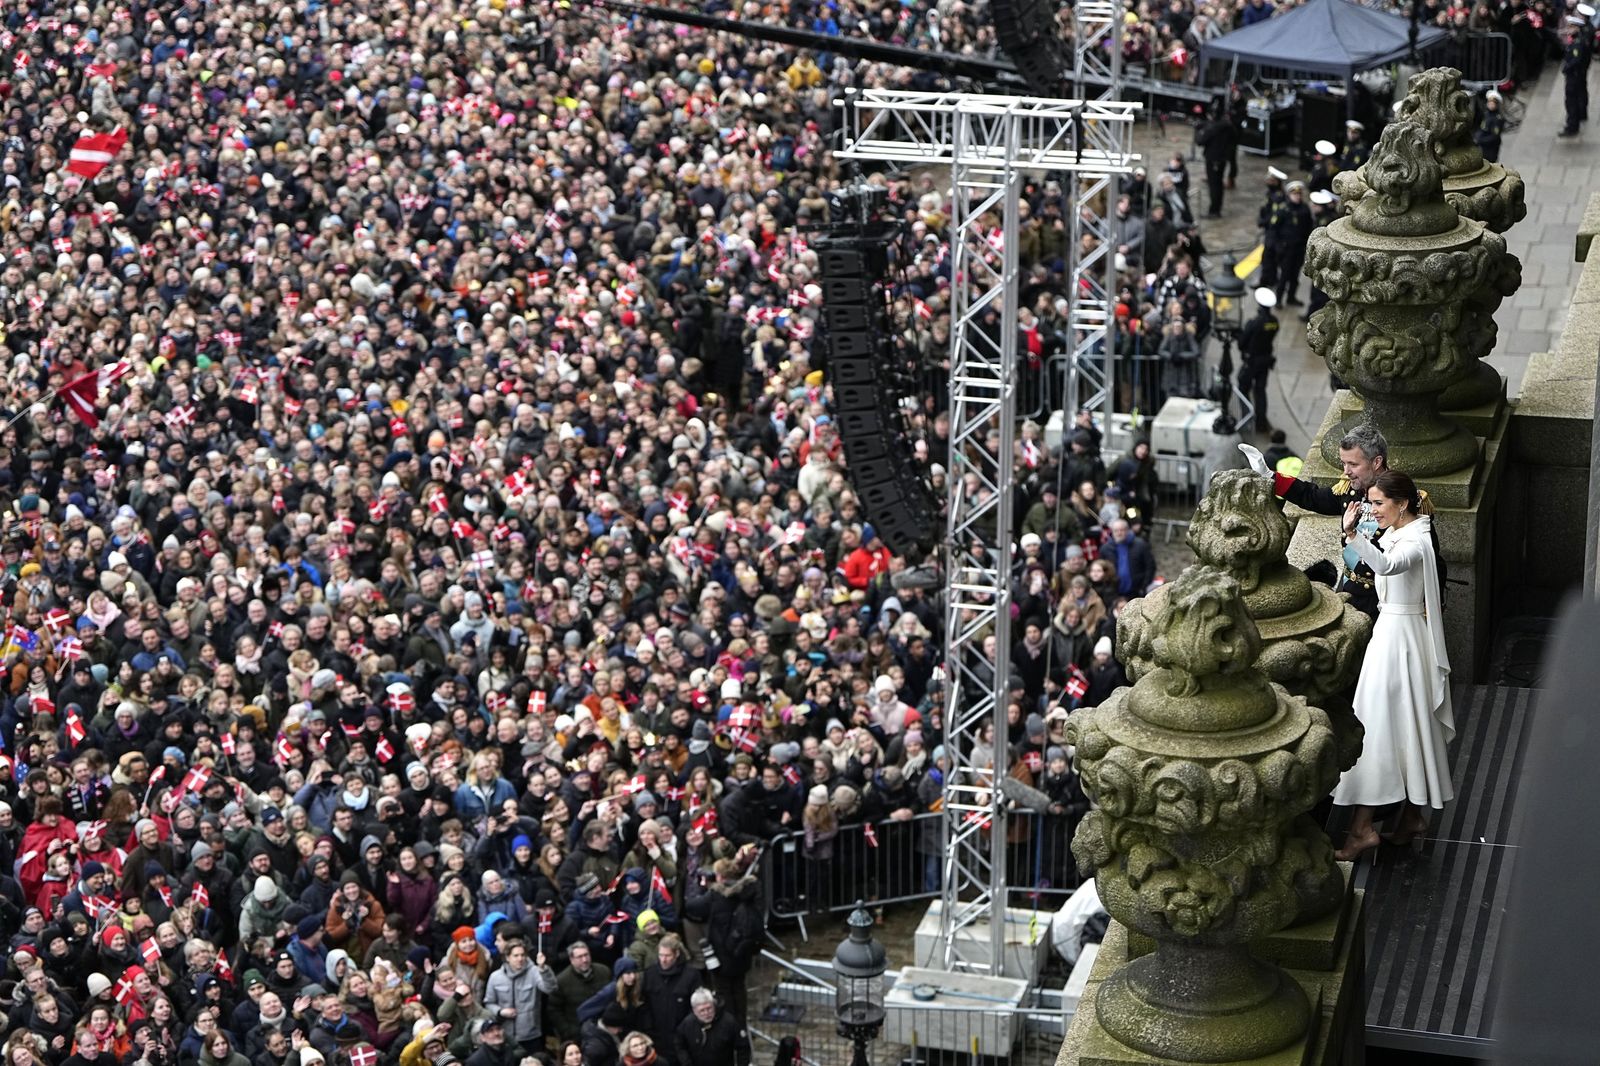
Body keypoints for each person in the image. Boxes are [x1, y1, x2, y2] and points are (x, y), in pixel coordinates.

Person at [1331, 471, 1454, 861]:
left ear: (1401, 504)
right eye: (1371, 503)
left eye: (1379, 503)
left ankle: (1362, 829)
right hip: (1395, 635)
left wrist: (1353, 536)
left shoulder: (1417, 539)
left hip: (1399, 641)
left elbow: (1386, 567)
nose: (1373, 510)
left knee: (1379, 725)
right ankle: (1410, 819)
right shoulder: (1406, 531)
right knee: (1405, 725)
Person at [1235, 288, 1281, 433]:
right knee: (1260, 390)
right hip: (1265, 361)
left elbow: (1242, 342)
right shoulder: (1274, 322)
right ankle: (1261, 422)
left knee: (1243, 387)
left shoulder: (1254, 323)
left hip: (1252, 361)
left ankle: (1246, 417)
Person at [672, 989, 749, 1066]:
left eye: (709, 1008)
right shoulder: (687, 1024)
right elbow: (679, 1044)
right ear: (694, 1011)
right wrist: (686, 1063)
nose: (707, 1013)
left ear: (714, 1005)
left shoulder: (728, 1022)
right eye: (702, 1010)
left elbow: (743, 1047)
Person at [1196, 104, 1239, 218]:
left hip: (1213, 159)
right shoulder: (1228, 126)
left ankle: (1214, 211)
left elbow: (1200, 141)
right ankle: (1216, 209)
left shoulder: (1213, 128)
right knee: (1218, 184)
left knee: (1214, 185)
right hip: (1222, 158)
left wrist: (1199, 130)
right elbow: (1235, 138)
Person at [1560, 16, 1593, 137]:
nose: (1568, 29)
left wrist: (1566, 68)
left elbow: (1576, 60)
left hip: (1574, 76)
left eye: (1570, 27)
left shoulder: (1578, 43)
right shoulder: (1578, 39)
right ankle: (1576, 120)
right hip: (1577, 75)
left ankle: (1572, 126)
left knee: (1571, 101)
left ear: (1577, 28)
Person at [1474, 91, 1507, 162]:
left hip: (1491, 148)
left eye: (1493, 103)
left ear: (1497, 105)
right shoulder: (1486, 114)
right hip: (1483, 146)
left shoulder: (1497, 118)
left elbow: (1494, 137)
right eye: (1489, 103)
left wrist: (1481, 141)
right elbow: (1481, 127)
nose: (1490, 105)